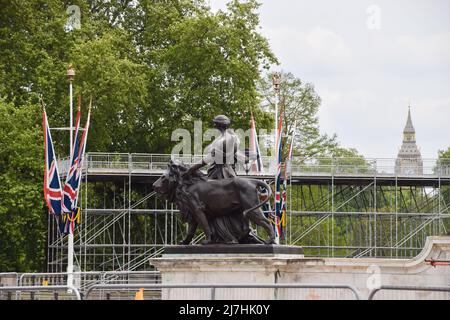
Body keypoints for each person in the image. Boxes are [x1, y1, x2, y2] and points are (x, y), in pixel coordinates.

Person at [185, 115, 249, 179]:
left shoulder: (223, 140)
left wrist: (191, 169)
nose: (214, 126)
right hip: (226, 171)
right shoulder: (227, 138)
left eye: (215, 124)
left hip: (219, 174)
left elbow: (207, 159)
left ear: (220, 125)